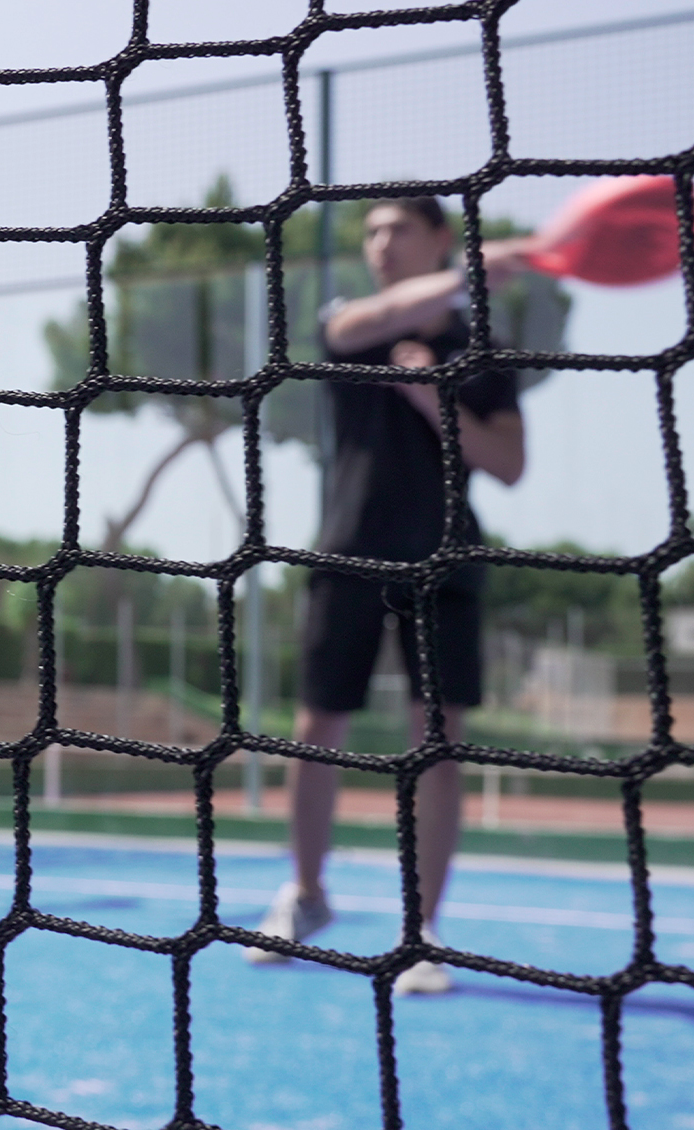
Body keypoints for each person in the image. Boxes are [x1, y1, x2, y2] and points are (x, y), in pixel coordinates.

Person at [245, 197, 527, 992]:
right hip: (348, 554)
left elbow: (508, 463)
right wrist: (462, 280)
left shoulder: (480, 351)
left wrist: (430, 397)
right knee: (314, 729)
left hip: (446, 561)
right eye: (370, 231)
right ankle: (305, 895)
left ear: (438, 237)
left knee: (436, 742)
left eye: (397, 228)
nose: (379, 243)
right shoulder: (349, 321)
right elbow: (358, 328)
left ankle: (424, 932)